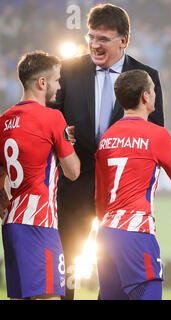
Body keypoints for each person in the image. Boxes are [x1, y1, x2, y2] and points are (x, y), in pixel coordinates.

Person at [49, 3, 164, 300]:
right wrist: (65, 137)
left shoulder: (147, 76)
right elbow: (52, 123)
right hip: (74, 186)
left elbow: (156, 132)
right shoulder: (68, 69)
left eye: (103, 39)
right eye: (91, 37)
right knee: (67, 270)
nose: (95, 45)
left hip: (122, 196)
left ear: (123, 40)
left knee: (117, 276)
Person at [95, 70, 171, 300]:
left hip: (106, 232)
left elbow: (99, 194)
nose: (156, 94)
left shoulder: (107, 136)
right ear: (146, 97)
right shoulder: (156, 134)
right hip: (136, 232)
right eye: (154, 90)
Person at [0, 51, 80, 300]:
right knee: (49, 296)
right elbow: (73, 171)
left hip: (11, 223)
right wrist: (67, 143)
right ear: (42, 83)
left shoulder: (3, 121)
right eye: (57, 80)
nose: (59, 85)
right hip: (39, 222)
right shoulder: (52, 117)